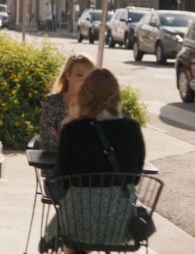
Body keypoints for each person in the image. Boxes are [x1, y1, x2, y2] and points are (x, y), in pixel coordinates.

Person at [43, 68, 146, 252]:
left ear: (84, 95)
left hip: (78, 220)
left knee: (71, 234)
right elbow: (135, 176)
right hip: (120, 223)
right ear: (116, 95)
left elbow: (63, 176)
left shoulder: (72, 130)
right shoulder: (132, 128)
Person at [38, 54, 95, 154]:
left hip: (87, 165)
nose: (84, 81)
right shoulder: (52, 102)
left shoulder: (95, 104)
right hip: (55, 163)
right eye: (79, 75)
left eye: (89, 76)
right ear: (68, 75)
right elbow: (47, 138)